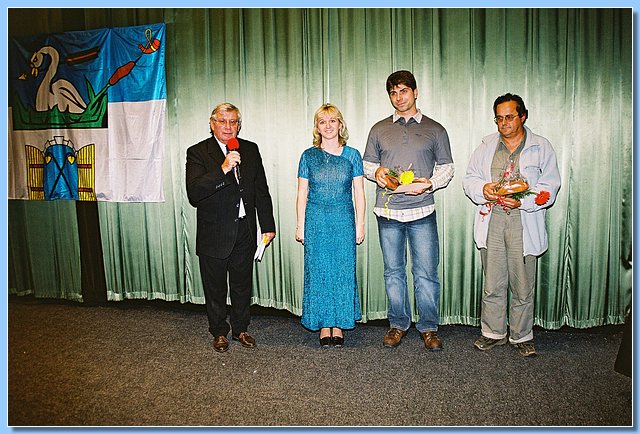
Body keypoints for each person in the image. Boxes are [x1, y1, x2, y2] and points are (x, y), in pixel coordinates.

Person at [462, 93, 561, 357]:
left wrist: (524, 202)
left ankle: (522, 335)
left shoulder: (541, 147)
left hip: (523, 221)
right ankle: (493, 333)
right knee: (493, 282)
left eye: (509, 117)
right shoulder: (486, 146)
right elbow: (469, 179)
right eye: (499, 118)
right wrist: (483, 189)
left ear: (523, 116)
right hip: (493, 218)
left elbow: (551, 185)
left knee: (523, 284)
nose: (504, 123)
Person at [362, 70, 454, 350]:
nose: (399, 97)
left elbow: (447, 168)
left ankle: (429, 328)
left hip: (422, 212)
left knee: (426, 273)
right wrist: (377, 172)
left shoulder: (435, 129)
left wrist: (430, 184)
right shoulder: (379, 129)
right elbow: (367, 165)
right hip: (388, 213)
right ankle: (397, 324)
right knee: (393, 272)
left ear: (415, 92)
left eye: (403, 91)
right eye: (393, 92)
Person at [186, 102, 276, 353]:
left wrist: (267, 225)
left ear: (239, 125)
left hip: (245, 231)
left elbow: (261, 191)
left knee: (242, 285)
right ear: (212, 123)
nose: (228, 127)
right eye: (222, 121)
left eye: (233, 122)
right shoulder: (198, 152)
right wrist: (223, 168)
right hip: (214, 233)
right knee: (215, 287)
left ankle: (240, 328)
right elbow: (194, 193)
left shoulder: (250, 149)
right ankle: (218, 331)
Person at [295, 103, 365, 347]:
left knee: (342, 271)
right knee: (319, 271)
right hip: (316, 220)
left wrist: (360, 225)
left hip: (343, 219)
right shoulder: (308, 156)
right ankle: (325, 324)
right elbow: (302, 194)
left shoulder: (352, 155)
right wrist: (300, 225)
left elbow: (359, 193)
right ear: (317, 127)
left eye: (332, 121)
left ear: (340, 125)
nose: (328, 126)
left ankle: (340, 323)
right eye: (322, 122)